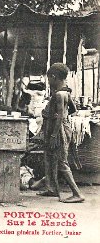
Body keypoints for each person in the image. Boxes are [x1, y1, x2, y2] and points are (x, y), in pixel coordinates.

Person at [37, 63, 84, 203]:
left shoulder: (59, 94)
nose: (48, 81)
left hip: (58, 130)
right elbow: (73, 109)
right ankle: (51, 189)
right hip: (59, 127)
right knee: (50, 158)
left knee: (61, 161)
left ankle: (77, 193)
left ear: (53, 77)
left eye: (49, 79)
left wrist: (53, 134)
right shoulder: (66, 92)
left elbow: (60, 117)